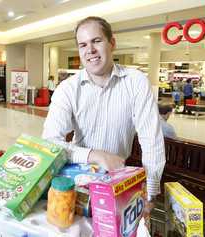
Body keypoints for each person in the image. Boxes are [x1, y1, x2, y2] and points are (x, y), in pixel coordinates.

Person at [42, 16, 165, 218]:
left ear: (112, 43)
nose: (89, 50)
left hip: (118, 180)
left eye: (96, 41)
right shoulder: (67, 89)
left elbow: (151, 140)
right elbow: (50, 143)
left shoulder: (136, 81)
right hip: (77, 180)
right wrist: (95, 155)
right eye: (83, 45)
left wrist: (150, 193)